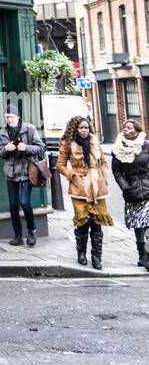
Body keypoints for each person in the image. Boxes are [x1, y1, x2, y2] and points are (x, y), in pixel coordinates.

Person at [57, 114, 113, 270]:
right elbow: (60, 165)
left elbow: (103, 161)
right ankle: (81, 253)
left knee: (97, 223)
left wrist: (102, 173)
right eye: (81, 128)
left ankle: (97, 258)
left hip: (97, 185)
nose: (84, 130)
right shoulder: (67, 143)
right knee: (83, 222)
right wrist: (71, 174)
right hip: (79, 186)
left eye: (86, 127)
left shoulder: (95, 141)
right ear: (75, 129)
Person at [0, 105, 45, 247]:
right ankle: (18, 235)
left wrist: (27, 148)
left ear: (18, 117)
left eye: (11, 117)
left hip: (26, 171)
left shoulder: (29, 129)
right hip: (11, 172)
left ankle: (31, 231)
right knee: (13, 205)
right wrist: (6, 149)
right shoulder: (2, 133)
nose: (9, 120)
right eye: (6, 117)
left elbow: (41, 147)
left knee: (25, 202)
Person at [110, 117, 149, 269]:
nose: (125, 129)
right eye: (124, 127)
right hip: (132, 191)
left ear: (137, 131)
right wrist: (125, 187)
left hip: (147, 188)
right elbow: (116, 171)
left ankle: (147, 256)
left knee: (147, 223)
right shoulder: (117, 148)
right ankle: (141, 255)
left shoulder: (145, 145)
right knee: (138, 224)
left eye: (129, 127)